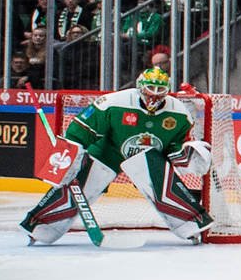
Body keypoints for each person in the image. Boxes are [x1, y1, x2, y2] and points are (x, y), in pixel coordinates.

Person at [20, 67, 211, 245]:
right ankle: (40, 227)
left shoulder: (179, 113)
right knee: (83, 181)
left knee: (163, 182)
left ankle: (191, 225)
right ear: (140, 86)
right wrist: (72, 154)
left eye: (160, 89)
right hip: (108, 151)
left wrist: (184, 155)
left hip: (148, 156)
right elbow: (81, 129)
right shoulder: (113, 102)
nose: (155, 94)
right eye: (150, 87)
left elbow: (175, 146)